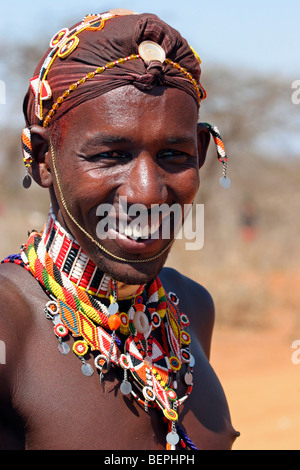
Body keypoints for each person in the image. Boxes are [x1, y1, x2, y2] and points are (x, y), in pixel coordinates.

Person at [0, 9, 238, 450]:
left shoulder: (191, 307)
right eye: (111, 155)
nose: (148, 195)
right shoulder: (8, 326)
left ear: (201, 153)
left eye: (173, 154)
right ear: (40, 158)